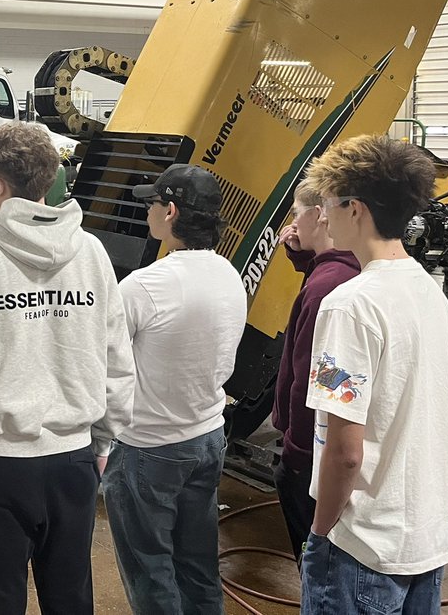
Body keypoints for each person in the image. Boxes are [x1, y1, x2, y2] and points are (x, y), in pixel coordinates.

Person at [0, 122, 135, 615]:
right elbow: (116, 356)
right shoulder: (90, 252)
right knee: (70, 599)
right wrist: (105, 439)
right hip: (73, 460)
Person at [300, 135, 448, 614]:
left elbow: (345, 452)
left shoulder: (349, 305)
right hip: (426, 537)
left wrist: (321, 529)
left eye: (327, 204)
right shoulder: (427, 290)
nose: (321, 216)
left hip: (362, 543)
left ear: (356, 208)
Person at [103, 163, 247, 615]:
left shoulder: (145, 285)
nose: (147, 210)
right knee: (198, 562)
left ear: (170, 211)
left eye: (152, 203)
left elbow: (102, 363)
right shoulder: (229, 273)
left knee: (151, 569)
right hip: (207, 437)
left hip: (149, 446)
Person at [271, 184, 359, 559]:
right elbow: (330, 265)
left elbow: (309, 377)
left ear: (319, 213)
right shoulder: (341, 269)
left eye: (295, 213)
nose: (291, 223)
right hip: (316, 453)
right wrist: (299, 253)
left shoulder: (326, 289)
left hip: (309, 458)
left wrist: (295, 452)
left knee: (314, 561)